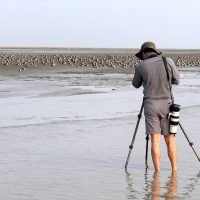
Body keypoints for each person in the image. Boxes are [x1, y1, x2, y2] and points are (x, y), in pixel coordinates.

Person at [132, 41, 180, 172]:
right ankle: (174, 173)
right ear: (155, 51)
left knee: (155, 141)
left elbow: (135, 84)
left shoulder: (140, 66)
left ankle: (157, 174)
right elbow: (177, 80)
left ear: (143, 53)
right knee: (170, 141)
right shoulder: (168, 61)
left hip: (150, 105)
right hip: (168, 105)